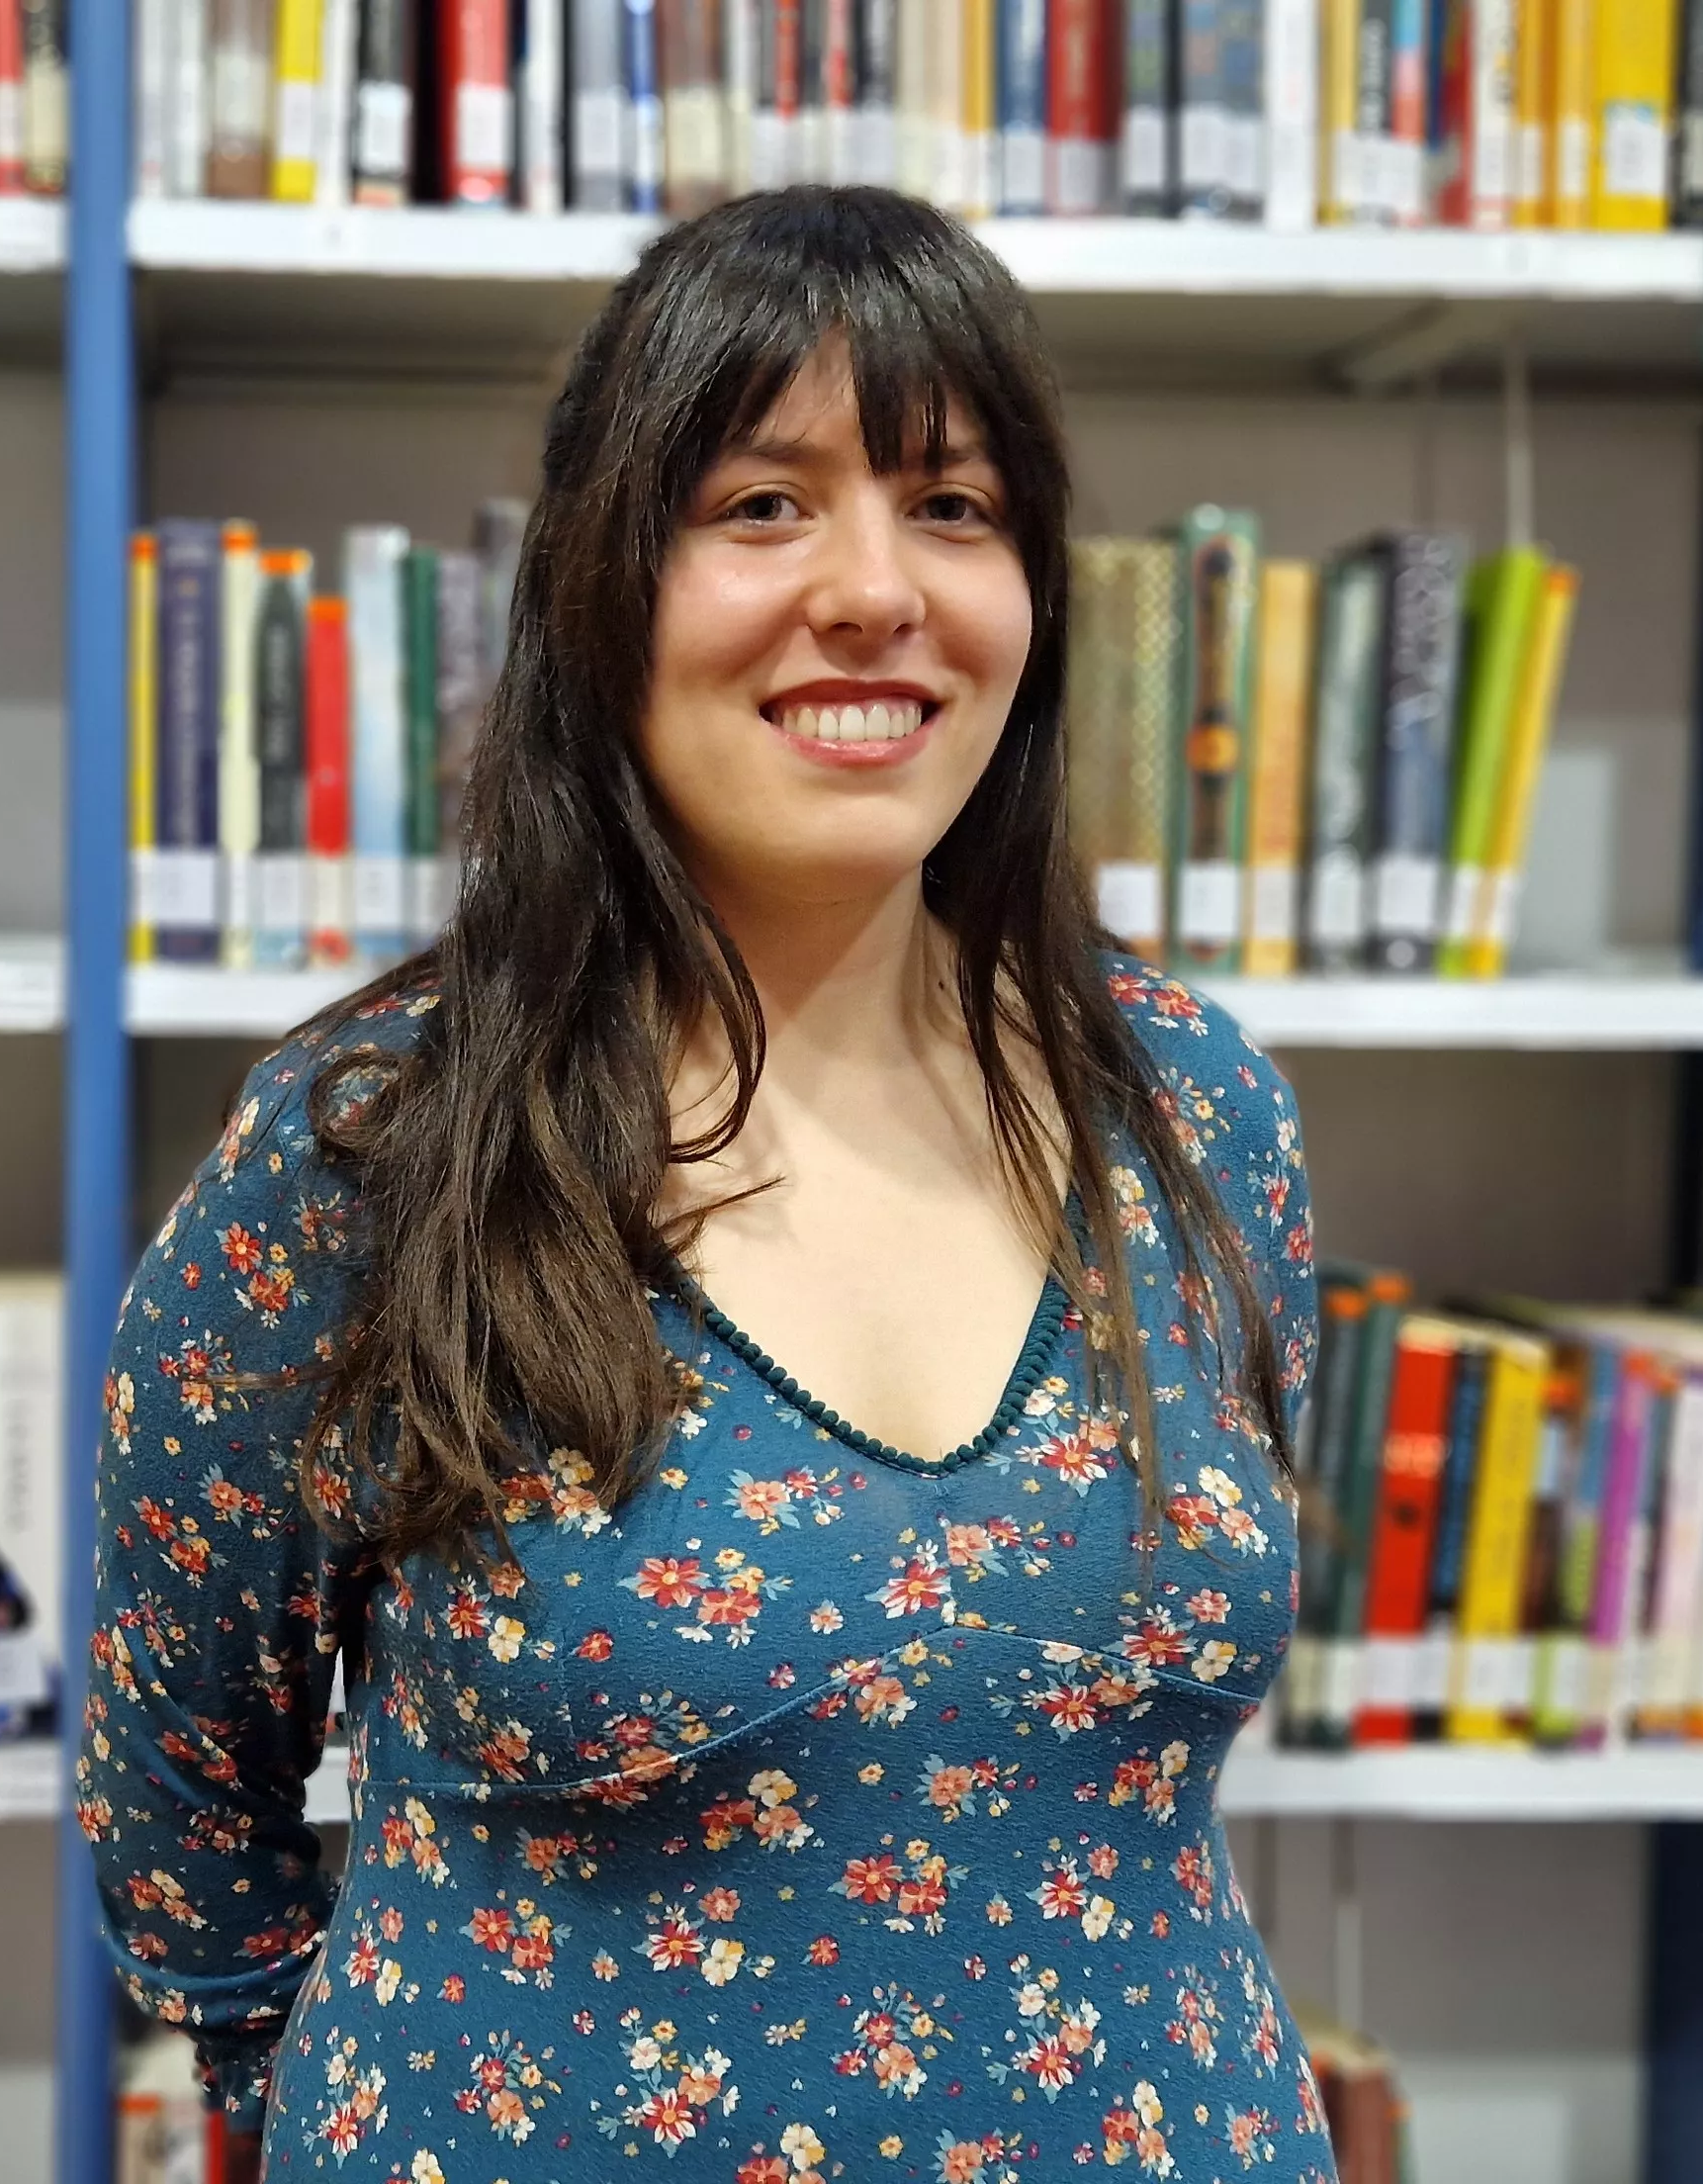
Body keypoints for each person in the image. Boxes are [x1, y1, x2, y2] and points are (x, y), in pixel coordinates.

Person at [80, 185, 1324, 2183]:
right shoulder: (368, 1150)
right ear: (601, 580)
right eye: (761, 505)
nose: (872, 590)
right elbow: (184, 1818)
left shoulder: (1186, 1111)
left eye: (953, 506)